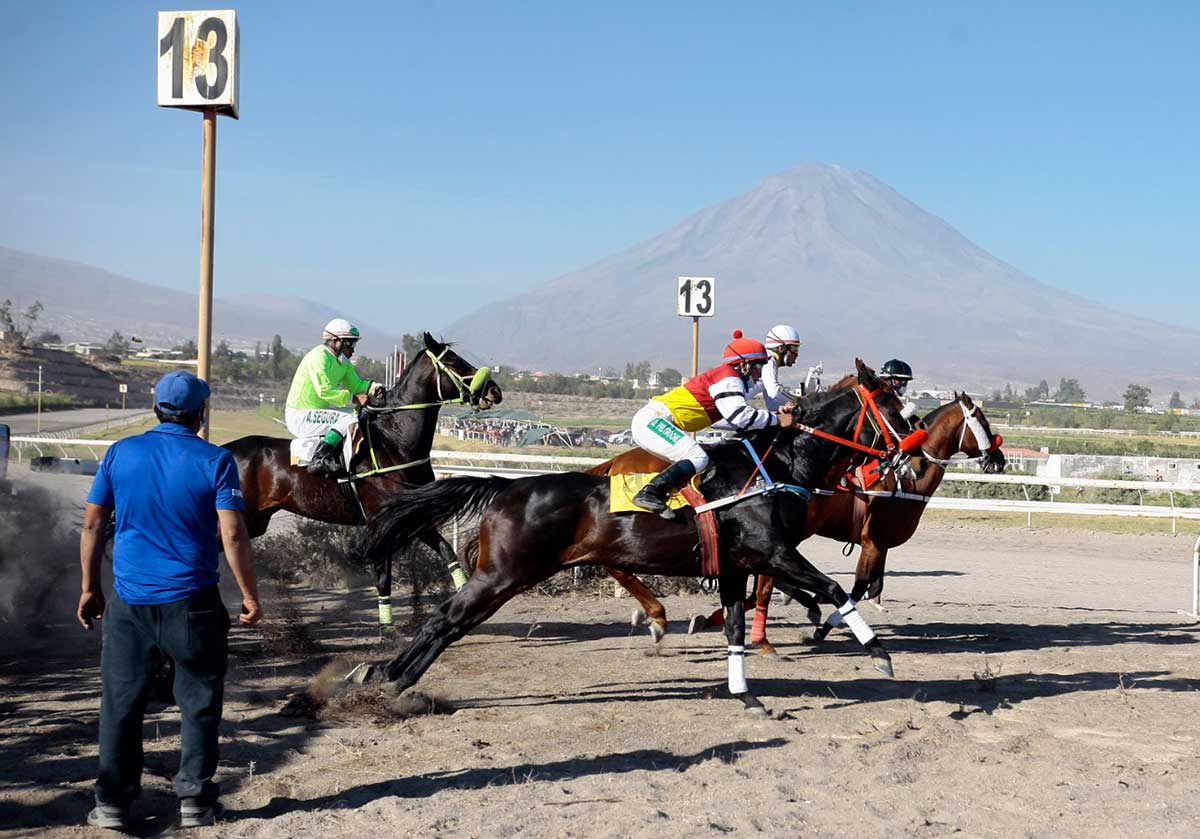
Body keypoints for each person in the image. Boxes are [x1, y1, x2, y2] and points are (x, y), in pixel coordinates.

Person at [78, 371, 262, 831]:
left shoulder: (120, 453)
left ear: (156, 406)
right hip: (193, 605)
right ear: (201, 414)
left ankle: (113, 804)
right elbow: (233, 531)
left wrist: (89, 587)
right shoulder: (216, 461)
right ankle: (195, 802)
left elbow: (93, 526)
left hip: (129, 603)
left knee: (120, 703)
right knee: (198, 702)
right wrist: (249, 594)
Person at [630, 330, 795, 517]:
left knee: (708, 457)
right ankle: (650, 492)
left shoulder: (730, 379)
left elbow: (726, 422)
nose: (760, 375)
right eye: (759, 367)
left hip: (656, 420)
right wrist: (776, 420)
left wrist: (774, 415)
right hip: (652, 421)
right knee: (698, 457)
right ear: (744, 365)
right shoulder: (728, 377)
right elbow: (740, 417)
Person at [285, 319, 384, 476]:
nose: (353, 350)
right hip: (300, 415)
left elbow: (357, 385)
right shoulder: (319, 357)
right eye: (350, 344)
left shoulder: (343, 362)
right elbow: (324, 391)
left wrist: (375, 388)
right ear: (336, 342)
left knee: (357, 415)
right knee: (351, 418)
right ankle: (320, 457)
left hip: (317, 411)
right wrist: (355, 399)